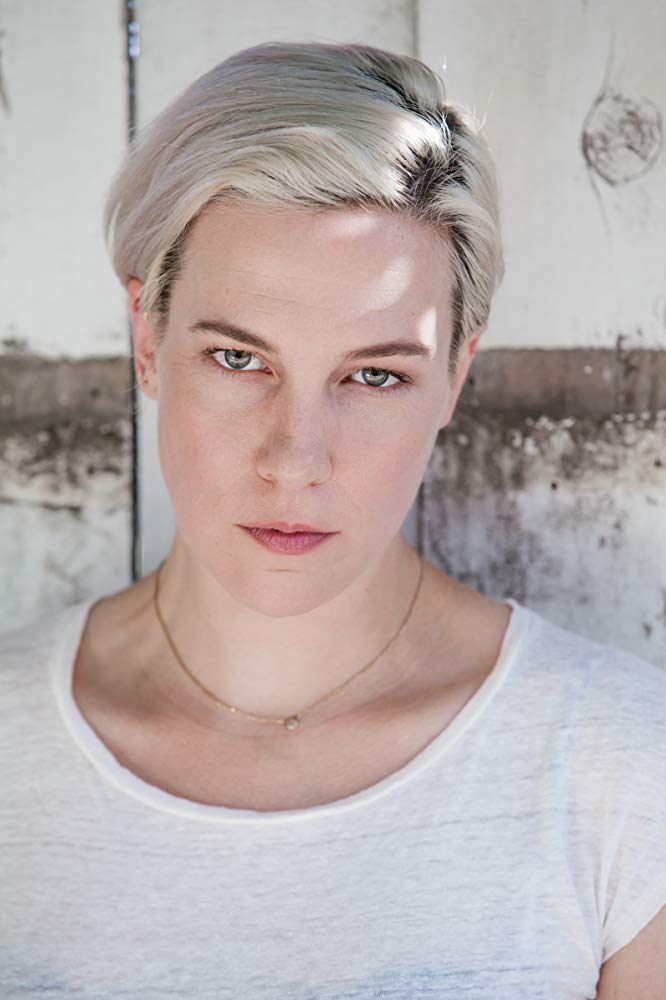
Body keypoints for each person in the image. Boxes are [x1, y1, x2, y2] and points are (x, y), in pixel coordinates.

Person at [1, 40, 665, 1000]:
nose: (295, 460)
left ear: (455, 376)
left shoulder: (624, 779)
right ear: (148, 338)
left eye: (375, 375)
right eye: (239, 359)